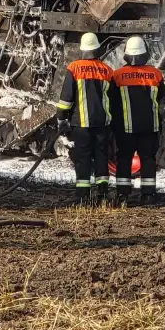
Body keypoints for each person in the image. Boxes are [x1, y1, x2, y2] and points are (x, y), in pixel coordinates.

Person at [56, 32, 113, 204]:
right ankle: (103, 192)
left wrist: (61, 118)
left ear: (82, 50)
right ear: (97, 49)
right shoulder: (107, 70)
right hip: (102, 123)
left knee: (83, 158)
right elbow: (113, 99)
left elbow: (66, 98)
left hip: (80, 123)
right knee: (102, 156)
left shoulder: (74, 68)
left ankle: (83, 195)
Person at [108, 35, 163, 204]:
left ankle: (122, 194)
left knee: (124, 159)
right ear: (145, 53)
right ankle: (148, 194)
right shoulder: (155, 74)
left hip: (125, 128)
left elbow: (111, 102)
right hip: (149, 127)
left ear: (126, 54)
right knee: (148, 159)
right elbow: (161, 99)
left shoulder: (117, 76)